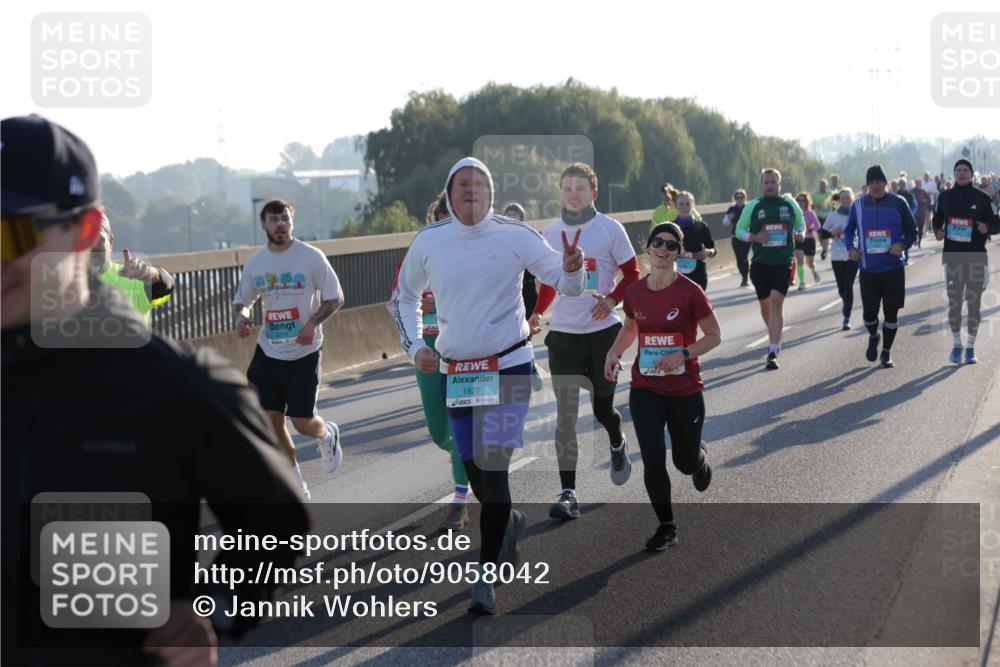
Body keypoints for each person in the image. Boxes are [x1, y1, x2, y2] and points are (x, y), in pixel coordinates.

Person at [1, 114, 309, 667]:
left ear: (87, 232)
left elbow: (277, 530)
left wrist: (211, 608)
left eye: (10, 234)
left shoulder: (176, 387)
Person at [394, 156, 585, 615]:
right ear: (448, 192)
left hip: (509, 365)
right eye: (462, 183)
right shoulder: (429, 241)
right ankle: (511, 521)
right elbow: (402, 298)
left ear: (492, 192)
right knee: (477, 475)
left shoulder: (515, 234)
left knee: (493, 469)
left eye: (480, 182)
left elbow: (565, 282)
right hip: (457, 372)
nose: (471, 189)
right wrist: (415, 345)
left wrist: (574, 268)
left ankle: (484, 577)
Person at [528, 163, 641, 521]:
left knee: (602, 411)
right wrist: (536, 313)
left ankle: (617, 441)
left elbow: (633, 274)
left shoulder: (609, 229)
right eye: (566, 188)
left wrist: (611, 299)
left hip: (603, 334)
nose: (573, 193)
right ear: (560, 193)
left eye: (579, 187)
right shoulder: (549, 232)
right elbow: (548, 283)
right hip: (563, 335)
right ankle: (568, 493)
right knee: (565, 417)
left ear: (593, 192)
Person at [603, 222, 721, 551]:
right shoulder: (635, 292)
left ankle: (698, 459)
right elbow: (630, 328)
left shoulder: (690, 292)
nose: (664, 249)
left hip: (684, 388)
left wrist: (682, 353)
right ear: (648, 246)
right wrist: (613, 353)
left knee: (683, 462)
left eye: (671, 245)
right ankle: (666, 527)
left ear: (678, 253)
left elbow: (714, 336)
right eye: (658, 242)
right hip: (646, 387)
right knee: (653, 458)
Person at [233, 199, 345, 500]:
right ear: (264, 225)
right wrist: (242, 317)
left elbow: (335, 298)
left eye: (285, 218)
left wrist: (311, 324)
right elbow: (243, 299)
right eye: (274, 219)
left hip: (303, 353)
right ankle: (296, 484)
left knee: (302, 423)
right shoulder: (256, 262)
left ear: (291, 223)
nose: (280, 224)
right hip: (268, 350)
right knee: (271, 421)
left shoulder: (311, 257)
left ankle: (327, 434)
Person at [389, 192, 470, 529]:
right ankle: (462, 456)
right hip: (429, 353)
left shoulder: (471, 256)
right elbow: (396, 303)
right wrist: (416, 344)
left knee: (462, 425)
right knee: (440, 433)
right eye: (436, 227)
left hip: (466, 353)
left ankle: (460, 500)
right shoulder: (417, 256)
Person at [844, 165, 917, 368]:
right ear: (868, 185)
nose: (876, 186)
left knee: (891, 313)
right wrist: (851, 248)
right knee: (869, 316)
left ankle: (886, 352)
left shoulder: (898, 203)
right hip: (868, 270)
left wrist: (902, 245)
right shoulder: (858, 205)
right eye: (872, 182)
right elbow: (849, 230)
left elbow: (912, 231)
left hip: (893, 269)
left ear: (886, 183)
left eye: (879, 182)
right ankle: (873, 335)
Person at [734, 168, 806, 370]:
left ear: (780, 185)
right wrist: (754, 237)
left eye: (773, 182)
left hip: (783, 263)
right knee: (766, 305)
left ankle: (773, 350)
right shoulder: (754, 206)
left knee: (776, 302)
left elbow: (801, 224)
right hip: (760, 264)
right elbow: (739, 230)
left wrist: (800, 233)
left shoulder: (789, 204)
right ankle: (774, 333)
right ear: (761, 185)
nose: (770, 185)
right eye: (766, 182)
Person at [932, 159, 1000, 364]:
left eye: (965, 170)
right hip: (952, 257)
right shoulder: (944, 197)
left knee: (973, 304)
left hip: (976, 257)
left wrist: (987, 228)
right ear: (954, 174)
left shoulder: (983, 198)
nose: (961, 173)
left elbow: (997, 222)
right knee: (954, 305)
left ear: (971, 174)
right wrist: (938, 231)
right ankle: (956, 344)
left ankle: (970, 347)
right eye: (958, 170)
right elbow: (937, 218)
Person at [93, 211, 176, 325]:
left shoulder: (133, 280)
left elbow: (167, 285)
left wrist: (149, 273)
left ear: (111, 241)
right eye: (82, 240)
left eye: (98, 239)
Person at [503, 202, 545, 392]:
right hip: (506, 294)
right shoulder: (497, 240)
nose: (511, 219)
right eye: (508, 215)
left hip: (527, 292)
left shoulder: (530, 238)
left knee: (525, 333)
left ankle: (531, 365)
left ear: (521, 219)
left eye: (515, 216)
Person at [822, 188, 860, 330]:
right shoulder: (833, 216)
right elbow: (823, 234)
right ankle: (846, 303)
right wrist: (834, 232)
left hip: (852, 255)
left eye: (847, 198)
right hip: (837, 256)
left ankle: (846, 317)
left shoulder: (856, 214)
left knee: (848, 286)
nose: (845, 200)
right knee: (841, 289)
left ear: (852, 199)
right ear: (839, 200)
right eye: (842, 198)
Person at [672, 190, 716, 291]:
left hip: (698, 274)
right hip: (678, 275)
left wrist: (709, 252)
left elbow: (713, 248)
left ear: (692, 205)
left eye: (688, 203)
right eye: (681, 204)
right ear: (676, 206)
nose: (684, 207)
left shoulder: (701, 226)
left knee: (698, 304)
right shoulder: (671, 228)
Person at [793, 192, 822, 289]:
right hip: (798, 240)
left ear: (807, 202)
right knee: (800, 261)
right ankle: (802, 282)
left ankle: (814, 272)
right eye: (799, 200)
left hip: (809, 239)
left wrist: (810, 229)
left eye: (803, 201)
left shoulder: (810, 213)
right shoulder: (794, 214)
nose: (801, 203)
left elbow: (818, 226)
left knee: (809, 263)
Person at [723, 189, 750, 286]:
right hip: (735, 236)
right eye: (737, 197)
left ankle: (745, 278)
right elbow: (725, 223)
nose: (739, 199)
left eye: (741, 197)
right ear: (734, 198)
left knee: (743, 256)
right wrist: (729, 218)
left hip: (746, 236)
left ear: (745, 198)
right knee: (738, 258)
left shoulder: (748, 208)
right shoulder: (731, 209)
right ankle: (743, 275)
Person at [812, 179, 832, 260]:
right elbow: (810, 204)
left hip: (828, 216)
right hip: (818, 216)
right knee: (820, 235)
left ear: (826, 186)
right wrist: (815, 205)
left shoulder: (830, 193)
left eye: (824, 185)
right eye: (821, 185)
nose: (822, 186)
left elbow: (836, 201)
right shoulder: (815, 194)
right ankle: (824, 247)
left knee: (825, 234)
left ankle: (825, 250)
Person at [912, 178, 932, 247]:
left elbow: (929, 200)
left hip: (922, 212)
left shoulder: (923, 191)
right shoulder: (911, 191)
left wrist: (924, 201)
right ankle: (915, 239)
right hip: (914, 213)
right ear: (915, 183)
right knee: (915, 227)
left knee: (920, 228)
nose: (918, 184)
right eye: (917, 183)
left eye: (919, 183)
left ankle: (919, 242)